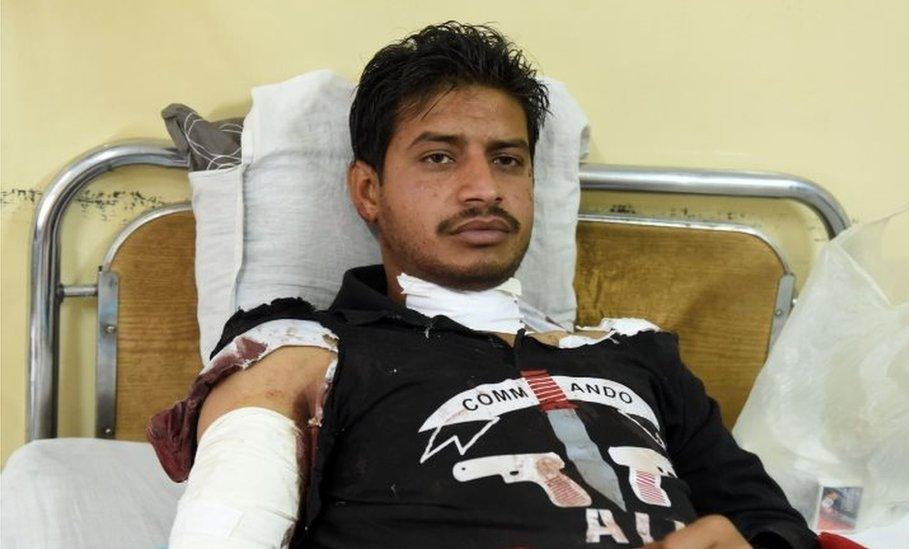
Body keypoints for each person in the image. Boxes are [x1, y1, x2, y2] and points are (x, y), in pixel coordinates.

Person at [150, 21, 818, 549]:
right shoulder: (307, 346)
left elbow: (770, 518)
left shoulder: (635, 353)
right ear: (368, 190)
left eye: (508, 159)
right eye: (439, 157)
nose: (484, 189)